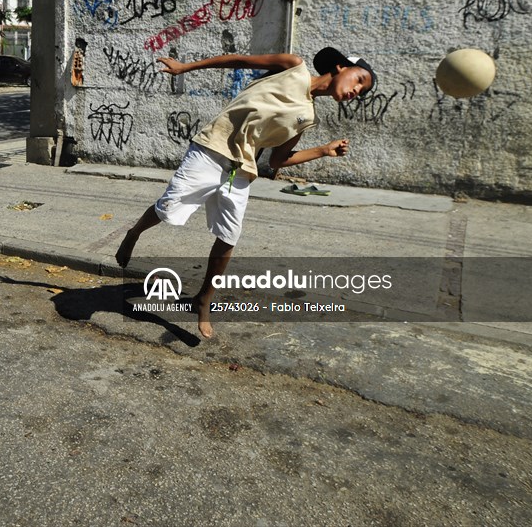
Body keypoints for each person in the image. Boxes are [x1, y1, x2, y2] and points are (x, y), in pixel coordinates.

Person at [115, 49, 377, 338]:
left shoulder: (307, 116)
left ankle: (203, 299)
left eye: (361, 91)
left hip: (241, 167)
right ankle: (134, 233)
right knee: (168, 208)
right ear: (341, 67)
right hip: (211, 149)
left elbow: (277, 161)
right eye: (359, 80)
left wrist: (323, 151)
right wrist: (185, 67)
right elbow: (238, 60)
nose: (356, 91)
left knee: (229, 236)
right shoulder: (294, 67)